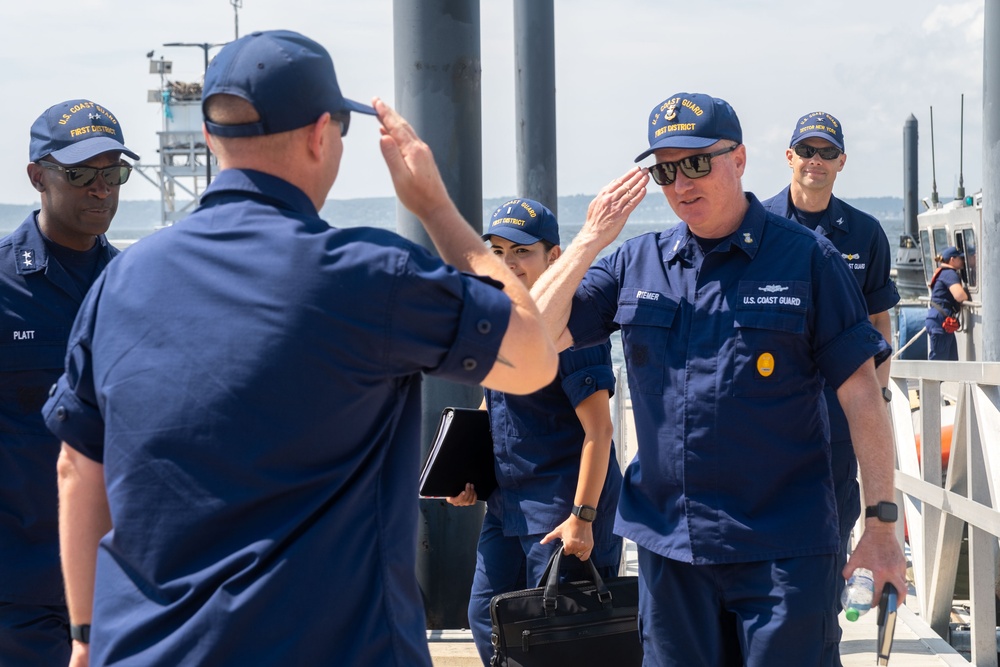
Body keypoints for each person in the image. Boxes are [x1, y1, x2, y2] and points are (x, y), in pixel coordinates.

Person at [43, 30, 556, 667]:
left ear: (210, 138)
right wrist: (436, 207)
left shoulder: (120, 282)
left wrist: (86, 636)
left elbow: (77, 469)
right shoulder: (370, 275)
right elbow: (532, 355)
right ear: (321, 135)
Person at [530, 92, 908, 666]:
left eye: (697, 163)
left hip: (785, 547)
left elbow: (862, 393)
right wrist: (588, 242)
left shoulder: (809, 259)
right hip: (671, 545)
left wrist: (882, 526)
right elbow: (529, 334)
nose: (681, 183)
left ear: (739, 159)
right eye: (664, 170)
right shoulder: (635, 263)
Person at [446, 198, 623, 664]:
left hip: (562, 511)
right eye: (499, 250)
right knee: (487, 619)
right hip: (508, 506)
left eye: (521, 252)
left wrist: (583, 517)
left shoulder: (572, 331)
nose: (508, 263)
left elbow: (599, 431)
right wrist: (467, 471)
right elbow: (494, 402)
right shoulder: (500, 320)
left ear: (555, 257)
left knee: (561, 637)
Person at [0, 99, 136, 666]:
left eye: (113, 173)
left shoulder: (137, 285)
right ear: (37, 176)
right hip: (19, 593)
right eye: (80, 174)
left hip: (122, 585)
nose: (100, 189)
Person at [761, 111, 900, 662]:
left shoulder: (864, 233)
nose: (815, 161)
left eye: (826, 152)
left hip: (838, 424)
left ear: (842, 162)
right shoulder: (758, 221)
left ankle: (822, 648)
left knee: (830, 544)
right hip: (767, 423)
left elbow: (881, 322)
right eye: (806, 150)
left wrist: (878, 395)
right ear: (789, 156)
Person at [925, 245, 968, 361]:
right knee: (940, 363)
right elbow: (959, 296)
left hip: (939, 320)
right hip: (940, 322)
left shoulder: (943, 272)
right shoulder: (949, 273)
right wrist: (966, 294)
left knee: (951, 362)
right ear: (952, 260)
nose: (963, 261)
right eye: (960, 258)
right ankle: (932, 380)